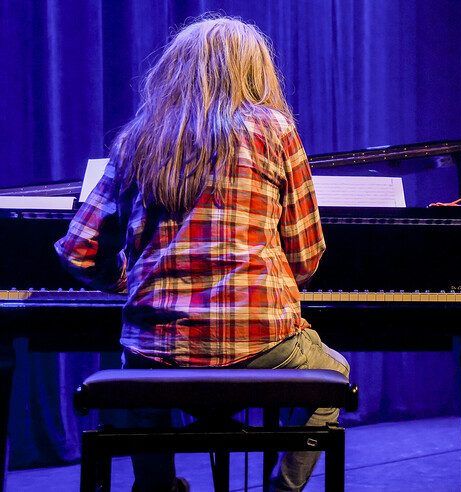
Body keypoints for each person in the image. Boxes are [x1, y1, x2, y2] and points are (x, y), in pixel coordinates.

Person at [55, 16, 348, 492]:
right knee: (334, 371)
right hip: (262, 346)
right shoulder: (275, 131)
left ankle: (157, 487)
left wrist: (123, 280)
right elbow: (307, 256)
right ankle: (282, 489)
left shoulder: (138, 139)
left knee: (137, 384)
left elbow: (78, 251)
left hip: (156, 351)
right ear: (255, 72)